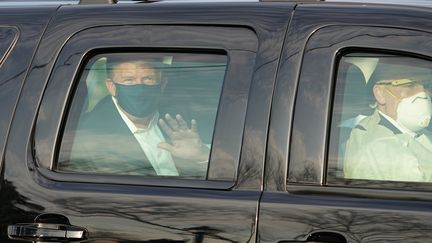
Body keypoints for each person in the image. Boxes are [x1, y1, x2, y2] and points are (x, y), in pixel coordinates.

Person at [62, 56, 209, 177]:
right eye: (129, 80)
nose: (140, 88)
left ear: (162, 84)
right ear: (111, 86)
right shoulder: (88, 137)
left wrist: (200, 156)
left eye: (148, 79)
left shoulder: (185, 116)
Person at [343, 61, 432, 182]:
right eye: (409, 84)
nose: (423, 93)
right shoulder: (374, 145)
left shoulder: (415, 131)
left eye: (426, 85)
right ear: (380, 94)